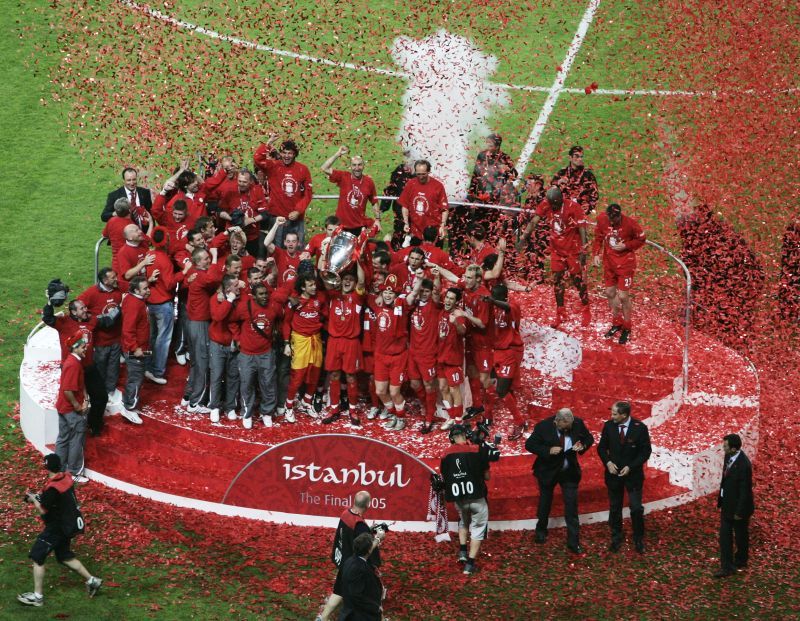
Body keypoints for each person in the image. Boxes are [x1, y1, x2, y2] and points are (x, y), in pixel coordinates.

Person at [17, 453, 102, 608]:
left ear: (46, 467)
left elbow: (43, 509)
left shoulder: (52, 489)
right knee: (64, 556)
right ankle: (92, 581)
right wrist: (39, 497)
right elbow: (54, 499)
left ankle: (37, 597)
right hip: (67, 525)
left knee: (37, 556)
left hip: (56, 528)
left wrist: (34, 499)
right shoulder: (66, 478)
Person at [42, 294, 117, 437]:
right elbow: (48, 318)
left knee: (101, 397)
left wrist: (121, 306)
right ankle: (73, 432)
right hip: (72, 369)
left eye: (85, 307)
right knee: (73, 402)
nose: (85, 309)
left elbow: (107, 321)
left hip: (89, 367)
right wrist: (50, 302)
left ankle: (94, 425)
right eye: (82, 308)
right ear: (73, 312)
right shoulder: (63, 322)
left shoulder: (91, 320)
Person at [517, 186, 590, 329]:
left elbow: (582, 229)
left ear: (560, 200)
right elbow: (534, 221)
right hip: (557, 250)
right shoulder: (547, 204)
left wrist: (583, 250)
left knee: (577, 280)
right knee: (557, 280)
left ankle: (586, 307)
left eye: (553, 204)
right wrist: (523, 237)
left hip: (572, 250)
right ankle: (560, 312)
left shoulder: (574, 207)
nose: (551, 206)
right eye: (549, 203)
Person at [525, 408, 594, 554]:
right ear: (557, 421)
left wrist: (583, 446)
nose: (569, 429)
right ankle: (541, 531)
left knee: (571, 506)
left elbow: (589, 438)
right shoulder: (543, 426)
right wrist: (548, 450)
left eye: (570, 425)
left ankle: (573, 542)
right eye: (565, 426)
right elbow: (529, 445)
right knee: (545, 502)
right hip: (547, 471)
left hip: (569, 472)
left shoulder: (577, 423)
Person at [439, 423, 499, 575]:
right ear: (466, 436)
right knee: (478, 529)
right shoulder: (476, 450)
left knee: (463, 521)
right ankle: (470, 565)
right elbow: (487, 476)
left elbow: (444, 477)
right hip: (477, 497)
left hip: (459, 499)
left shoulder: (445, 454)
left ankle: (463, 552)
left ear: (451, 439)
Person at [318, 490, 385, 621]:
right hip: (356, 566)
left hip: (345, 563)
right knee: (368, 597)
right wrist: (378, 539)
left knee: (339, 591)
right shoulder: (360, 525)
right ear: (367, 505)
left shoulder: (345, 514)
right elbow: (365, 549)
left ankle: (323, 618)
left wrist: (367, 530)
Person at [597, 401, 652, 553]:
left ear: (624, 415)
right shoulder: (609, 426)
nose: (611, 416)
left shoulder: (640, 428)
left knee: (635, 508)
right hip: (613, 475)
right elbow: (601, 447)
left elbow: (645, 452)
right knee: (615, 507)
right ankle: (616, 538)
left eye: (614, 414)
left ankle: (638, 539)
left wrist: (631, 467)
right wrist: (607, 462)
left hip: (633, 475)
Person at [230, 282, 286, 429]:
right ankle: (247, 413)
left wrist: (276, 331)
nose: (265, 296)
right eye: (261, 294)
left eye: (266, 293)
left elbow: (282, 319)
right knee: (246, 384)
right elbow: (232, 321)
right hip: (246, 354)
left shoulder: (274, 307)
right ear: (253, 296)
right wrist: (237, 338)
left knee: (268, 384)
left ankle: (267, 413)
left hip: (266, 353)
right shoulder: (244, 306)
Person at [593, 203, 647, 345]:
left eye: (614, 219)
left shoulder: (630, 223)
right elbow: (598, 237)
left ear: (619, 215)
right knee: (610, 293)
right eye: (609, 219)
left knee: (623, 296)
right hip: (609, 264)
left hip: (625, 265)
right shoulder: (602, 219)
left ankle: (627, 327)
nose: (611, 222)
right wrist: (596, 254)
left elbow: (642, 238)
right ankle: (617, 322)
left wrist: (626, 246)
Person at [482, 283, 527, 439]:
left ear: (503, 297)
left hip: (510, 352)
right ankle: (487, 416)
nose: (492, 299)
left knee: (502, 390)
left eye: (495, 296)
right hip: (497, 352)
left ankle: (520, 422)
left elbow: (507, 307)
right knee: (490, 384)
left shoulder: (512, 306)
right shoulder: (494, 308)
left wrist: (492, 301)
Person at [253, 135, 313, 246]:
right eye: (284, 153)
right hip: (277, 218)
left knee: (297, 250)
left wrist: (298, 211)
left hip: (296, 219)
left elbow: (308, 194)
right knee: (276, 251)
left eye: (290, 153)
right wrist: (268, 143)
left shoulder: (303, 169)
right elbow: (257, 159)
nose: (286, 156)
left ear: (294, 154)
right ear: (280, 153)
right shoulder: (273, 166)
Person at [78, 268, 123, 406]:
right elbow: (78, 306)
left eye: (115, 276)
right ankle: (99, 390)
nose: (116, 279)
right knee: (100, 367)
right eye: (112, 277)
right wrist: (92, 318)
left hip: (116, 338)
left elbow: (131, 288)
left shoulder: (118, 289)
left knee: (114, 366)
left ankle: (110, 390)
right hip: (100, 341)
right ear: (104, 280)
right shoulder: (92, 293)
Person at [715, 433, 754, 578]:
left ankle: (741, 560)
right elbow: (725, 480)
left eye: (725, 446)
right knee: (725, 536)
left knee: (741, 535)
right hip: (727, 505)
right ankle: (727, 567)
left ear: (733, 448)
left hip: (739, 508)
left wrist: (739, 511)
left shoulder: (744, 465)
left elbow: (745, 490)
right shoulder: (729, 457)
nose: (723, 448)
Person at [54, 333, 90, 482]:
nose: (85, 348)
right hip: (71, 409)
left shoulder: (73, 362)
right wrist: (78, 406)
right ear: (75, 348)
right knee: (76, 439)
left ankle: (58, 470)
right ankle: (74, 472)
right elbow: (68, 390)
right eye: (82, 347)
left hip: (63, 407)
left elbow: (80, 384)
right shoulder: (73, 365)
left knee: (63, 438)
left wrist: (86, 397)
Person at [321, 146, 380, 234]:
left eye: (359, 164)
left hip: (359, 226)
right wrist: (338, 154)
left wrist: (378, 220)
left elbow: (374, 202)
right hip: (341, 225)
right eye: (354, 165)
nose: (357, 168)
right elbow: (324, 168)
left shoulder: (369, 182)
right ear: (350, 166)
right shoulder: (344, 176)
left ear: (363, 166)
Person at [120, 276, 150, 425]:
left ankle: (128, 402)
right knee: (136, 378)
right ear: (136, 290)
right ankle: (129, 408)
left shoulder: (134, 300)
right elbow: (128, 329)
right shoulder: (134, 304)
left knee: (135, 377)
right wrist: (134, 347)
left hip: (138, 347)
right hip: (135, 349)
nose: (148, 290)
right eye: (145, 288)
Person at [398, 160, 449, 245]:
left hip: (433, 233)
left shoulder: (438, 186)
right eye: (418, 174)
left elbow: (444, 209)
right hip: (415, 232)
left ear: (429, 172)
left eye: (423, 174)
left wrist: (442, 225)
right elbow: (405, 206)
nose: (421, 177)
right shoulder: (411, 184)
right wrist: (406, 223)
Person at [339, 533, 384, 621]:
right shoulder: (359, 568)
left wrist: (377, 539)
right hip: (361, 615)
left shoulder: (350, 560)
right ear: (369, 551)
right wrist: (375, 607)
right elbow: (356, 596)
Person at [552, 145, 599, 215]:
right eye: (577, 156)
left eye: (581, 157)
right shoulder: (561, 173)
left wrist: (587, 209)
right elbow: (551, 193)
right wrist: (558, 183)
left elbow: (594, 196)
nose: (580, 159)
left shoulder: (588, 176)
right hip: (562, 212)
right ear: (570, 158)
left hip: (580, 214)